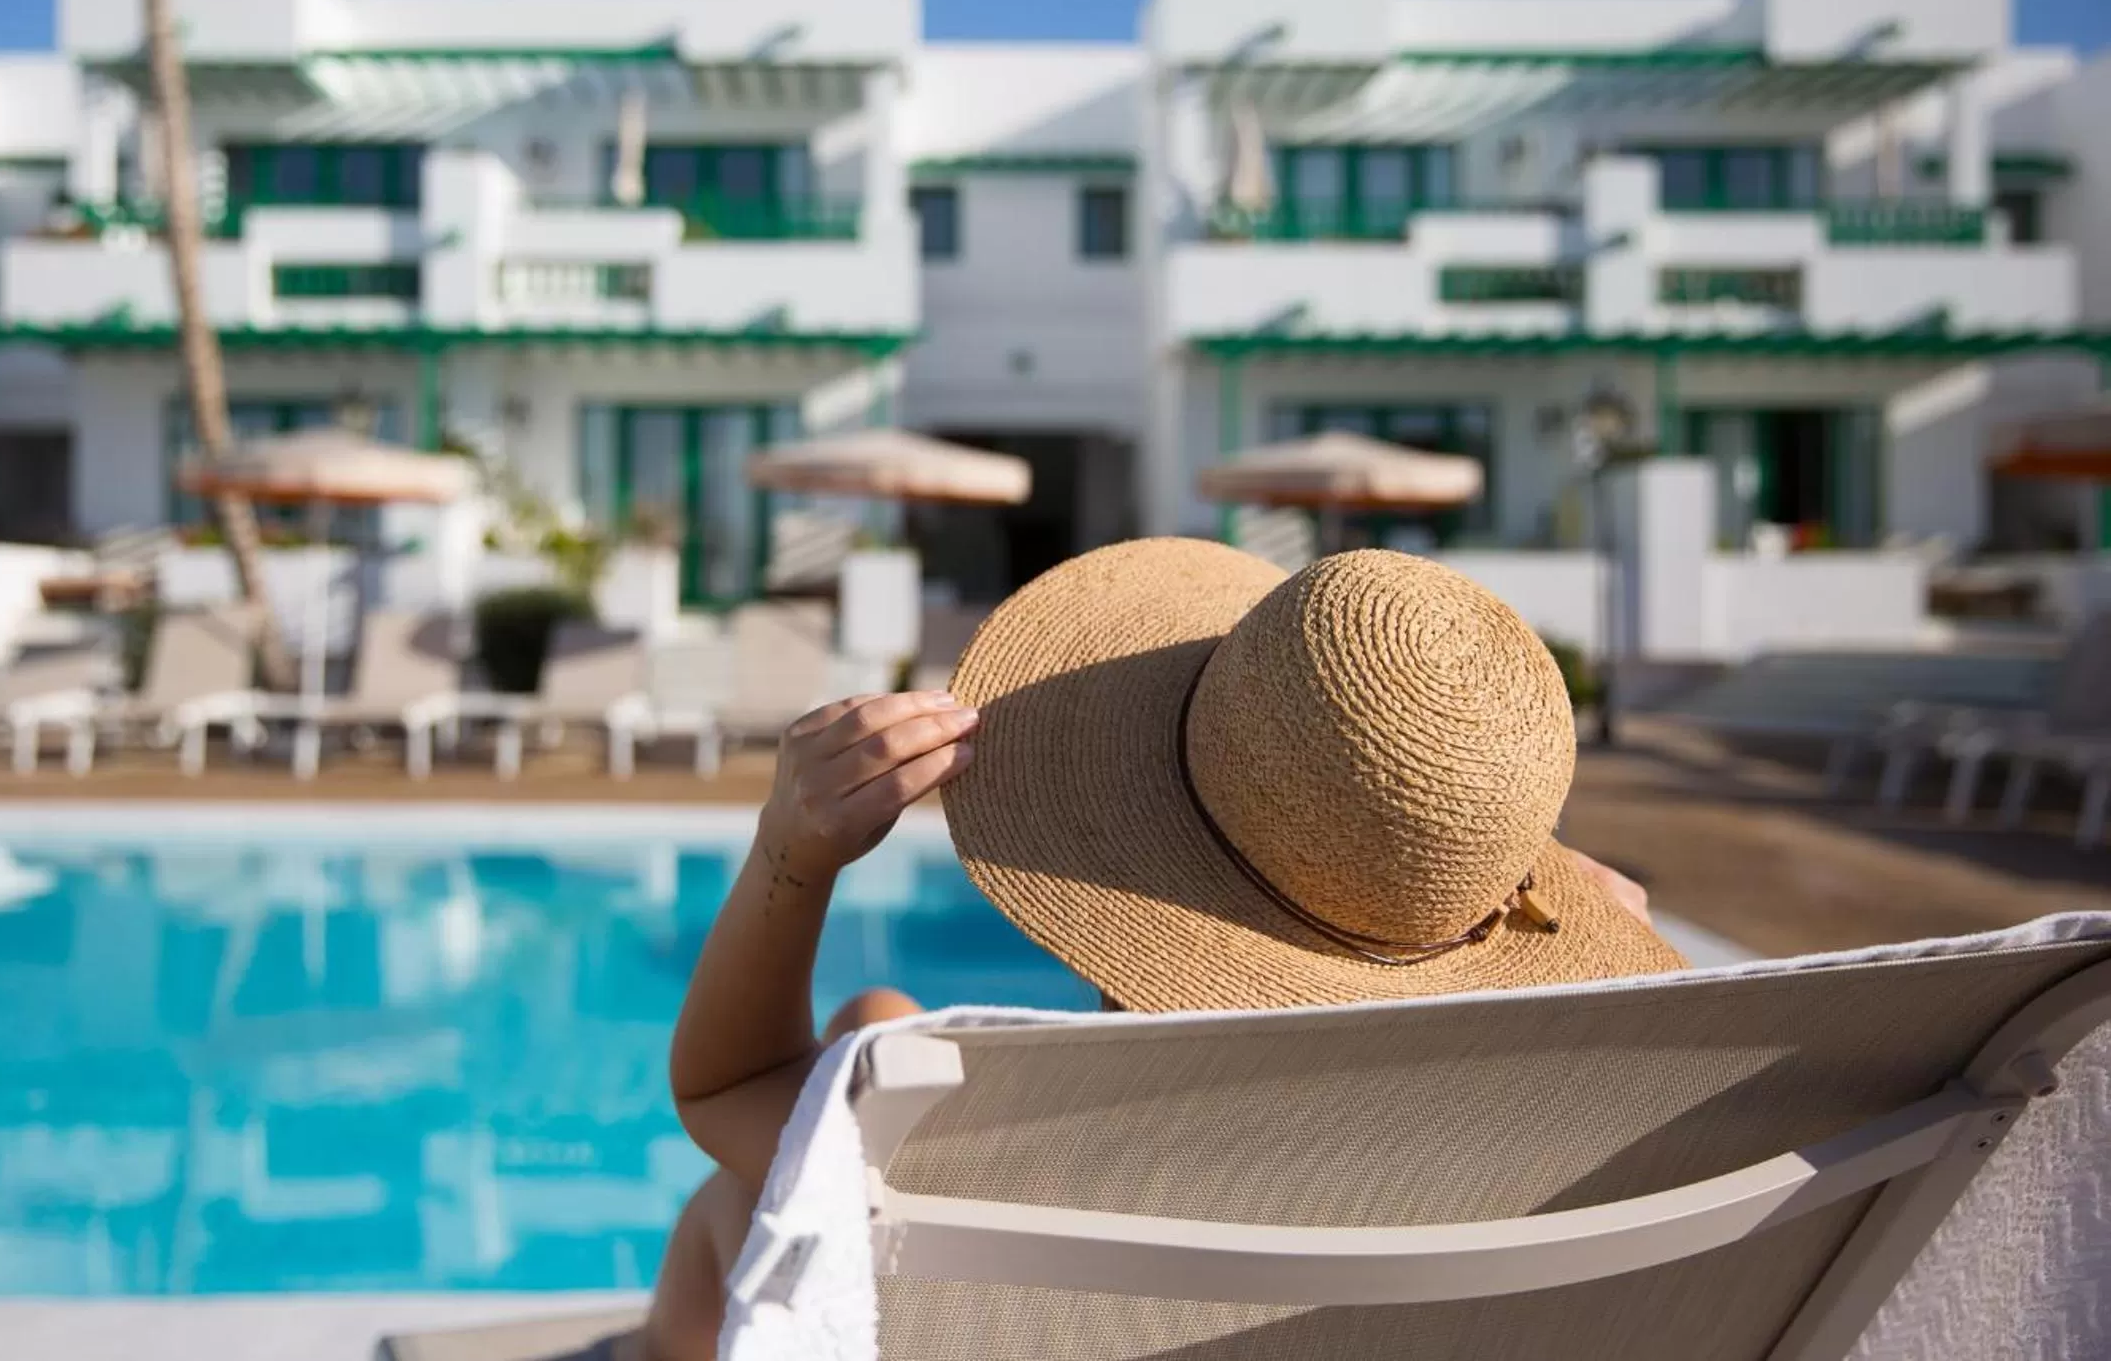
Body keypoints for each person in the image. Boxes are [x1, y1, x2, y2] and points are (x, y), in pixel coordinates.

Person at [620, 542, 1682, 1361]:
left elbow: (726, 1087)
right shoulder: (1578, 1160)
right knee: (873, 1032)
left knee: (770, 1159)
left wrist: (789, 855)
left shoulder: (1009, 1160)